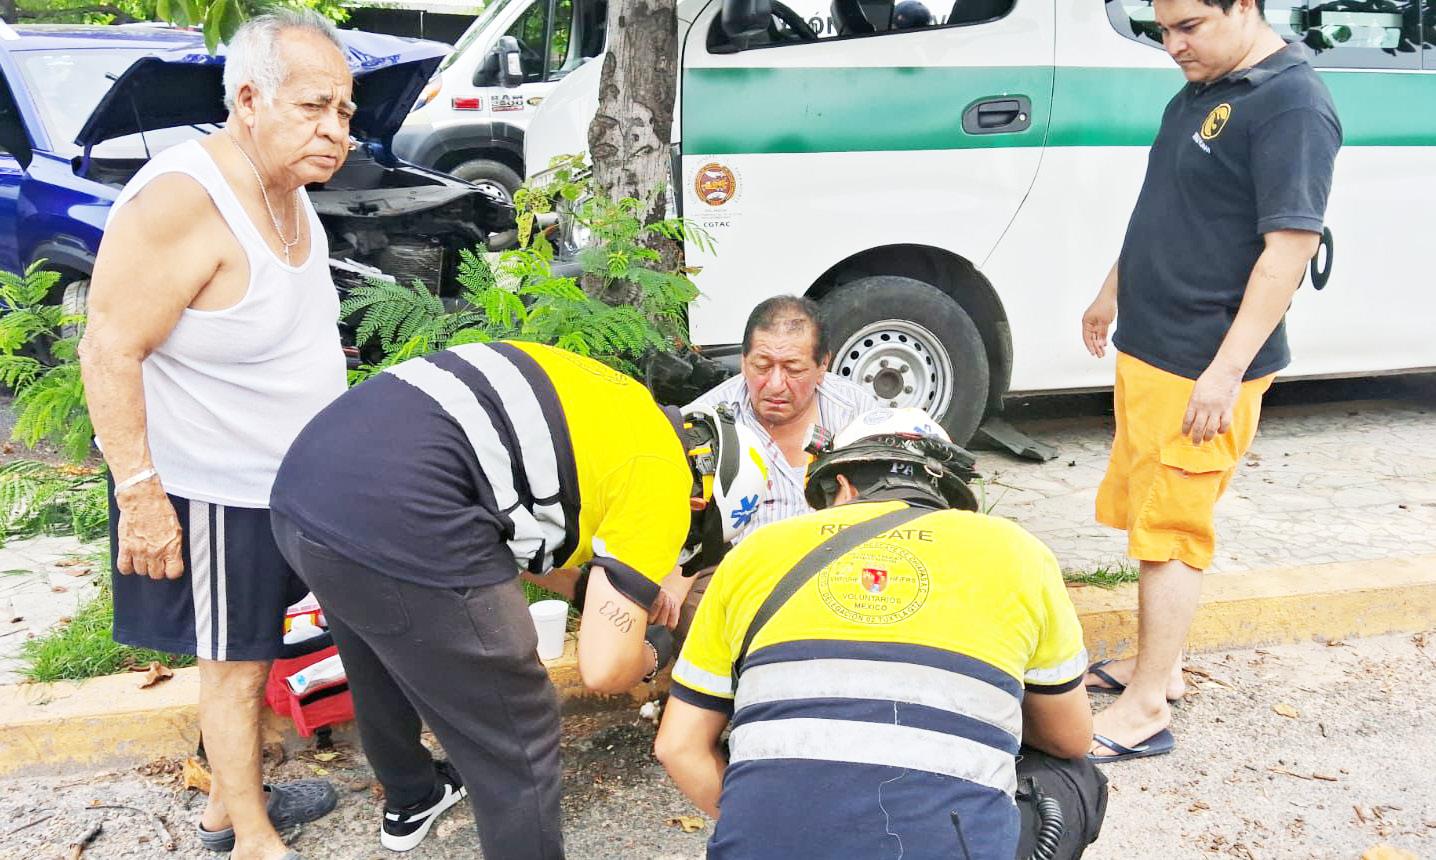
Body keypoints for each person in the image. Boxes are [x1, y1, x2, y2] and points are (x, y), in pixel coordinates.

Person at [267, 341, 769, 858]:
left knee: (374, 650)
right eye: (686, 544)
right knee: (519, 727)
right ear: (698, 502)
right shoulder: (665, 481)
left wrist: (593, 592)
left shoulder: (626, 413)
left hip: (306, 492)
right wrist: (651, 651)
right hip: (403, 510)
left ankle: (413, 793)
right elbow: (604, 670)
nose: (674, 558)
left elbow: (519, 535)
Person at [78, 12, 356, 860]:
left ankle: (225, 809)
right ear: (248, 100)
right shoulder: (183, 201)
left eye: (345, 111)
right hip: (217, 486)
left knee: (260, 652)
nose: (335, 130)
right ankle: (254, 839)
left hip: (291, 480)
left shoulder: (285, 185)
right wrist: (140, 495)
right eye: (314, 107)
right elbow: (108, 347)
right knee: (233, 665)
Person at [655, 408, 1107, 860]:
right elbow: (1069, 738)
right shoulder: (1018, 552)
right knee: (1076, 777)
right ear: (948, 495)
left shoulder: (755, 552)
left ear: (843, 486)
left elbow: (678, 747)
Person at [1080, 0, 1341, 762]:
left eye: (1189, 26)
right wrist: (1110, 291)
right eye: (1162, 29)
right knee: (1150, 520)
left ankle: (1145, 707)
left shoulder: (1293, 104)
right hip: (1152, 349)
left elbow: (1288, 252)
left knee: (1172, 534)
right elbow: (1168, 206)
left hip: (1202, 363)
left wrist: (1224, 374)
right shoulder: (1204, 88)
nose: (1172, 45)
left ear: (1245, 7)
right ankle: (1157, 668)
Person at [679, 296, 877, 625]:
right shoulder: (704, 422)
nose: (774, 385)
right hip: (738, 575)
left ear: (822, 365)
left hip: (836, 568)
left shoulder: (857, 412)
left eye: (793, 369)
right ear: (743, 361)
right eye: (761, 366)